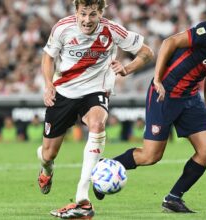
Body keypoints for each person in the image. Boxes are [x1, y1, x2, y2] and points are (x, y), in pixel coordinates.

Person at [95, 0, 206, 213]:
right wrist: (157, 80)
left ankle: (173, 198)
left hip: (190, 97)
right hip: (165, 93)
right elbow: (169, 42)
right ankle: (102, 170)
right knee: (150, 156)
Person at [36, 0, 154, 219]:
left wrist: (126, 69)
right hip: (64, 92)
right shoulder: (62, 27)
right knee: (48, 154)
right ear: (76, 12)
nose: (87, 20)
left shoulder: (111, 29)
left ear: (101, 13)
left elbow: (147, 53)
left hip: (95, 91)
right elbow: (48, 56)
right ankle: (46, 169)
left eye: (92, 14)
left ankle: (82, 200)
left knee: (98, 125)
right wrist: (48, 84)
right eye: (83, 14)